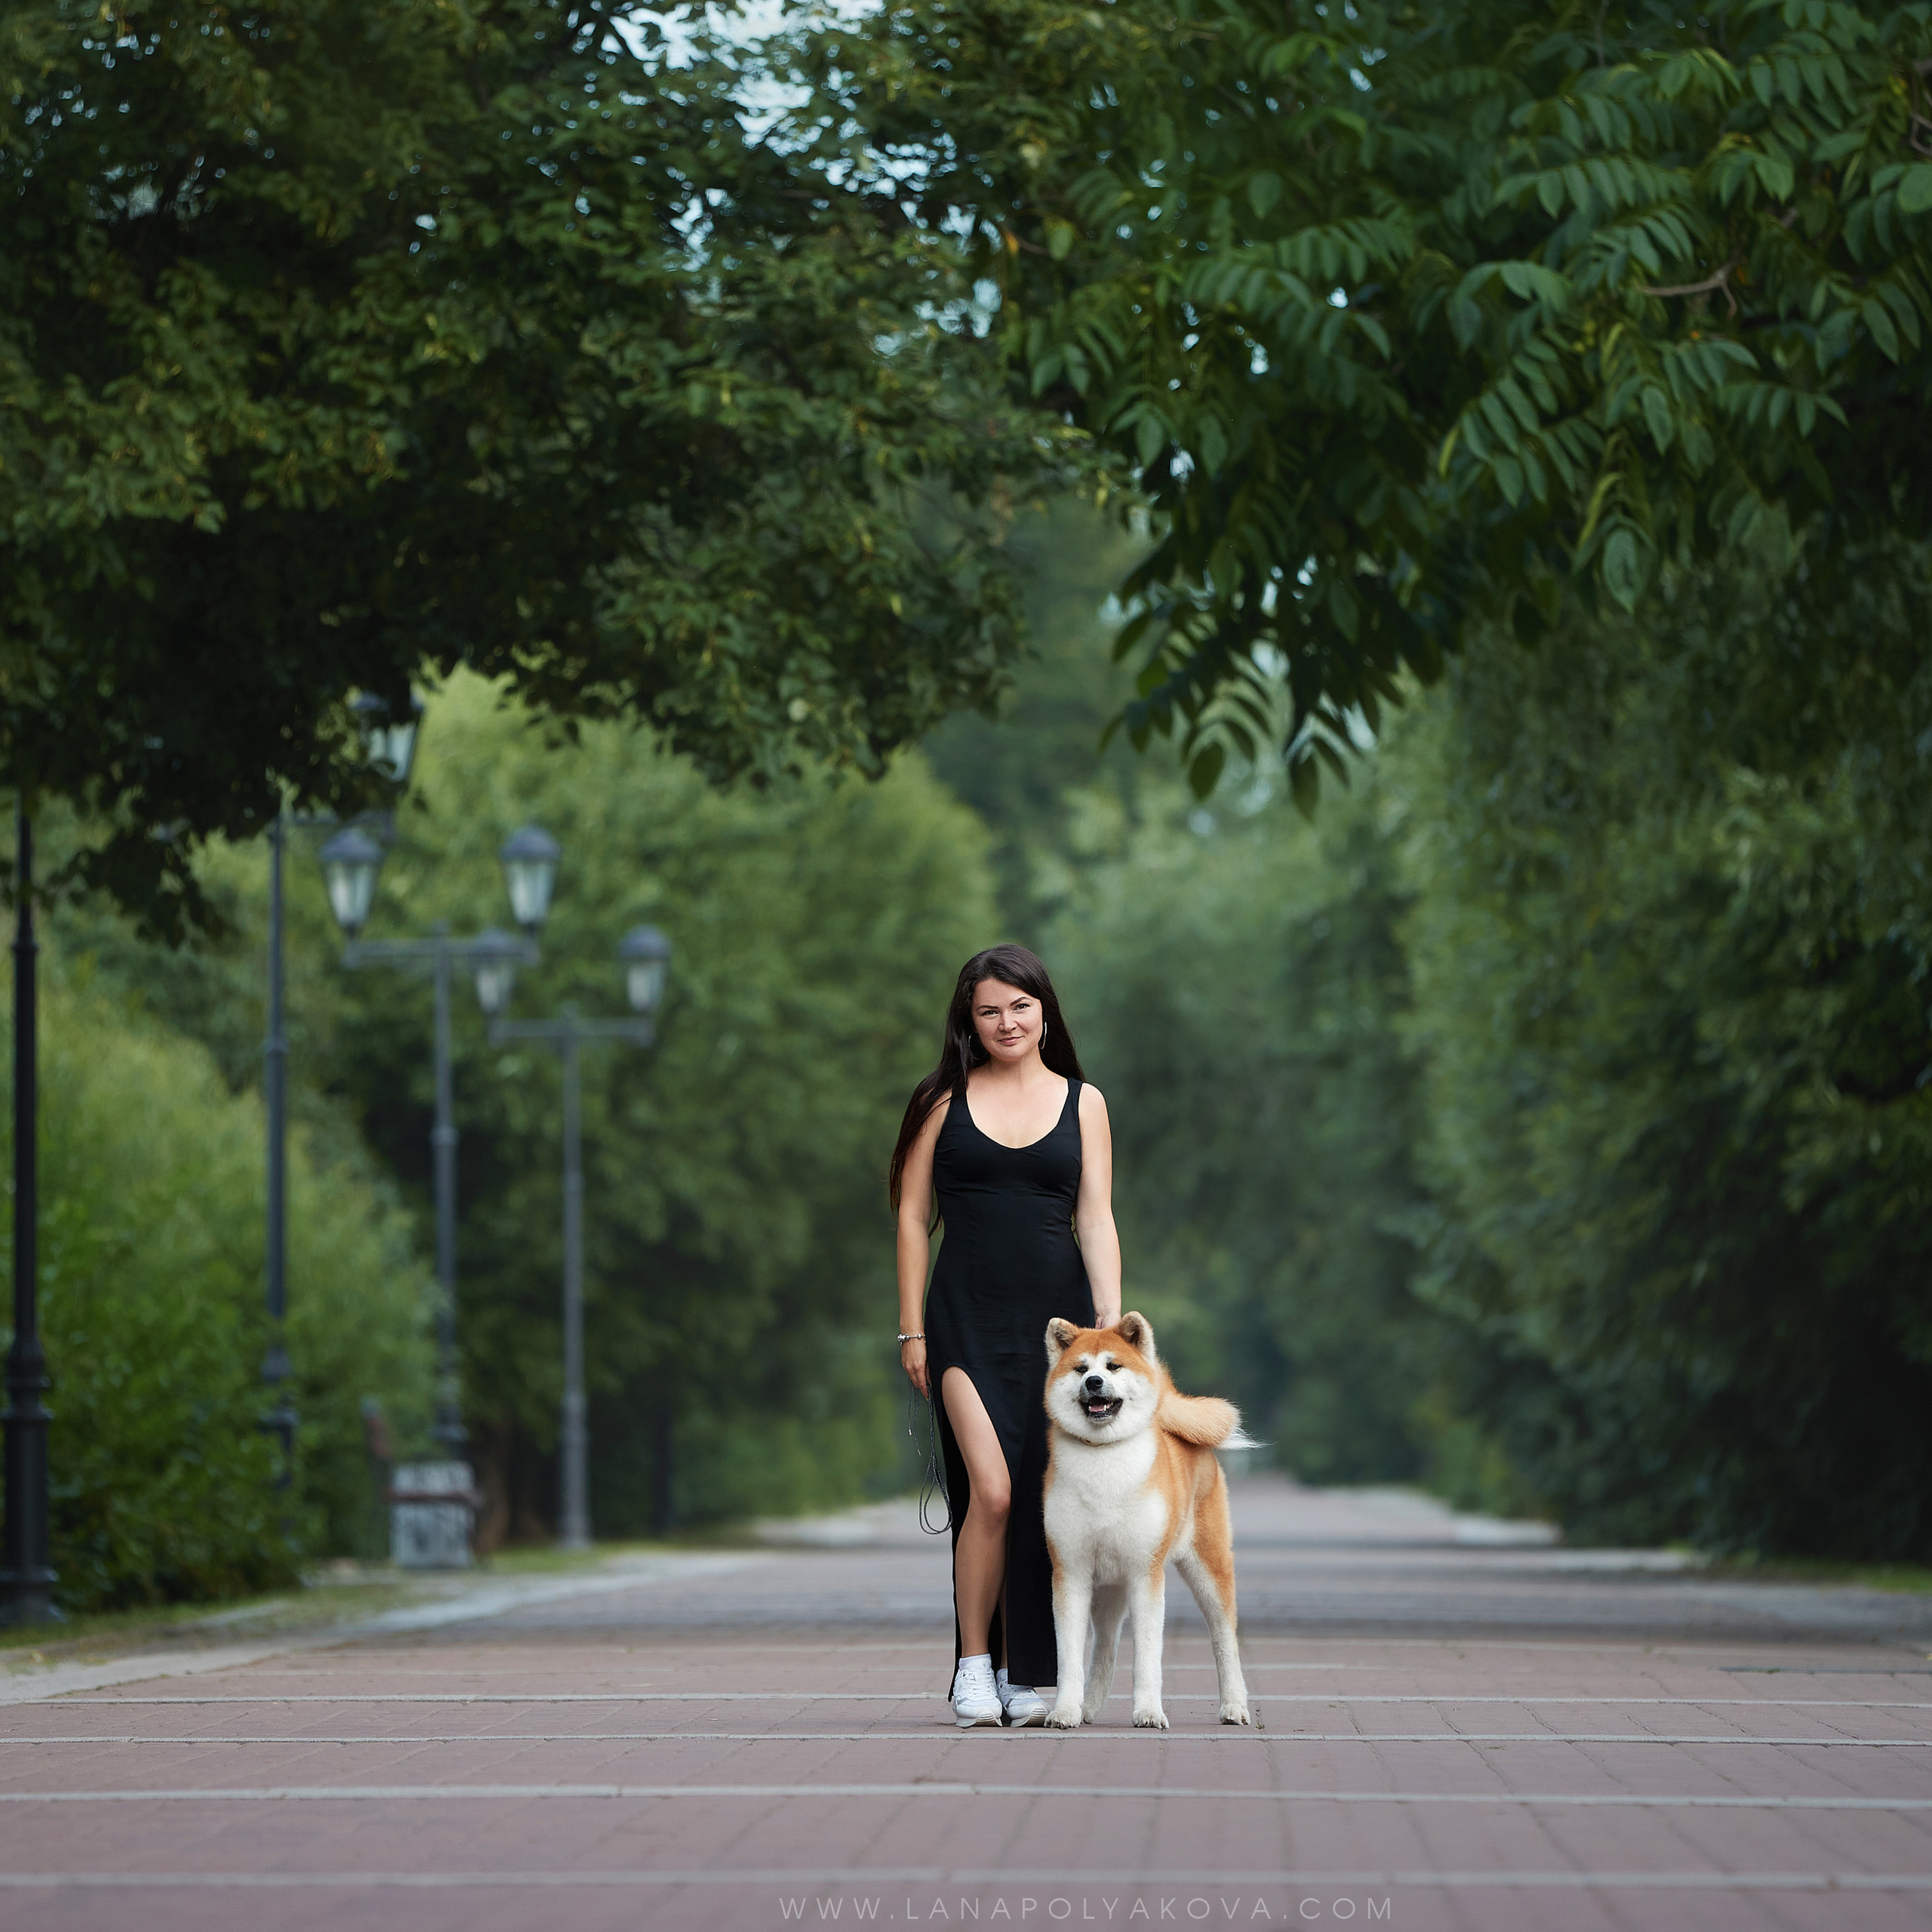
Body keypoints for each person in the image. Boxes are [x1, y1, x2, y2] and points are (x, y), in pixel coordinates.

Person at [890, 944, 1122, 1728]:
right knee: (988, 1491)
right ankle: (972, 1667)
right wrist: (911, 1329)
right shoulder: (939, 1100)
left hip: (1060, 1334)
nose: (1006, 1022)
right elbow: (911, 1217)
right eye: (989, 1010)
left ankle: (1030, 1673)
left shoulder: (1083, 1102)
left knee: (1039, 1501)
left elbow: (1094, 1217)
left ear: (1044, 1011)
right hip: (962, 1320)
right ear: (970, 1020)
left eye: (1019, 1006)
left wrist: (1108, 1334)